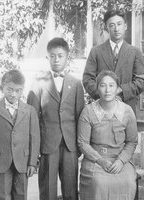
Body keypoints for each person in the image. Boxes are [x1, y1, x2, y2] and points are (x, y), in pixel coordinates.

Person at [27, 37, 85, 200]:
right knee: (47, 189)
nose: (57, 59)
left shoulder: (75, 83)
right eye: (53, 56)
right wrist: (35, 148)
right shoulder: (39, 82)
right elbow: (32, 117)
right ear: (48, 58)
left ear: (67, 57)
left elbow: (80, 116)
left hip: (70, 145)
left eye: (60, 55)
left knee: (71, 189)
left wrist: (79, 146)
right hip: (47, 144)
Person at [78, 70, 138, 200]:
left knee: (127, 181)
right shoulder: (88, 112)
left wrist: (121, 161)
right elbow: (83, 143)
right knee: (99, 183)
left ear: (117, 89)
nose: (107, 90)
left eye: (111, 85)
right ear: (97, 88)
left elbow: (132, 142)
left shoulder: (127, 111)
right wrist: (101, 160)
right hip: (96, 159)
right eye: (103, 85)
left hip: (120, 159)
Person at [0, 70, 40, 200]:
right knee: (2, 195)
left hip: (23, 161)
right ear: (1, 88)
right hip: (1, 162)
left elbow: (35, 138)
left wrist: (32, 162)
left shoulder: (30, 111)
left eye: (18, 90)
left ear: (22, 90)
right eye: (10, 90)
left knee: (21, 195)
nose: (14, 94)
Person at [83, 9, 144, 113]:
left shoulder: (135, 52)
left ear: (125, 26)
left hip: (126, 108)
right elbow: (87, 79)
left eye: (119, 24)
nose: (116, 29)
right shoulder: (96, 51)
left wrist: (121, 90)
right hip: (101, 108)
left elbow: (141, 81)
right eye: (112, 25)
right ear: (106, 28)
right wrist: (104, 94)